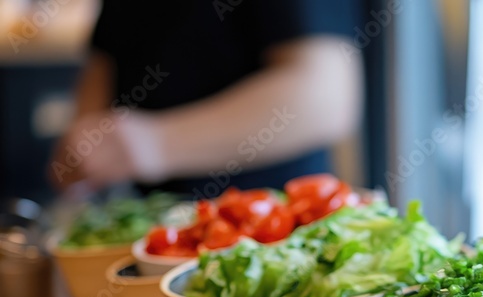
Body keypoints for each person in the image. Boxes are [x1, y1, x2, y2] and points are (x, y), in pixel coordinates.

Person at [48, 0, 363, 198]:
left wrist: (156, 143)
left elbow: (325, 94)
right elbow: (101, 71)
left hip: (278, 233)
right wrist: (82, 155)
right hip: (156, 236)